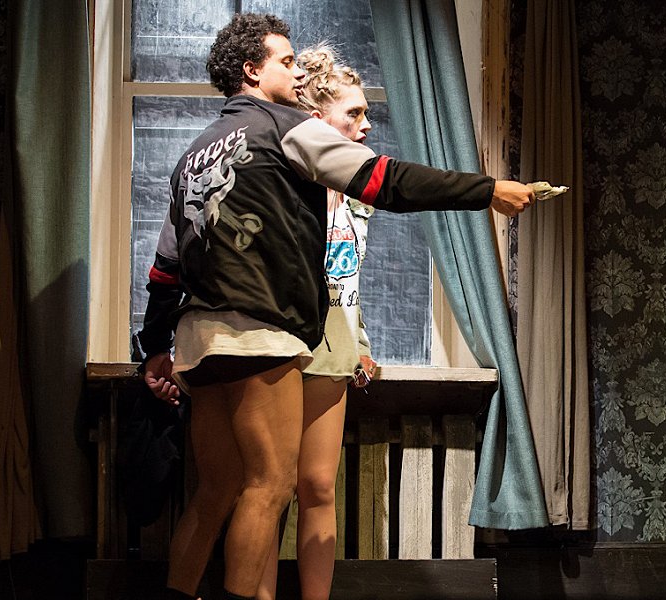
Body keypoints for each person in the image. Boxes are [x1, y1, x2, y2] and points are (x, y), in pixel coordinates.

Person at [136, 13, 534, 600]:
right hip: (259, 332)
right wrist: (485, 190)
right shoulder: (286, 127)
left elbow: (164, 270)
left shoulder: (193, 154)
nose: (296, 73)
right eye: (286, 61)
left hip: (198, 340)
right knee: (270, 485)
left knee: (216, 489)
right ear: (252, 70)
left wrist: (154, 349)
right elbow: (383, 180)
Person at [255, 44, 377, 600]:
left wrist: (360, 340)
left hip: (334, 346)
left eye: (365, 112)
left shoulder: (358, 195)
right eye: (354, 113)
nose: (365, 124)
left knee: (318, 485)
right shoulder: (281, 182)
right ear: (315, 117)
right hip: (279, 340)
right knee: (269, 487)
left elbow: (349, 276)